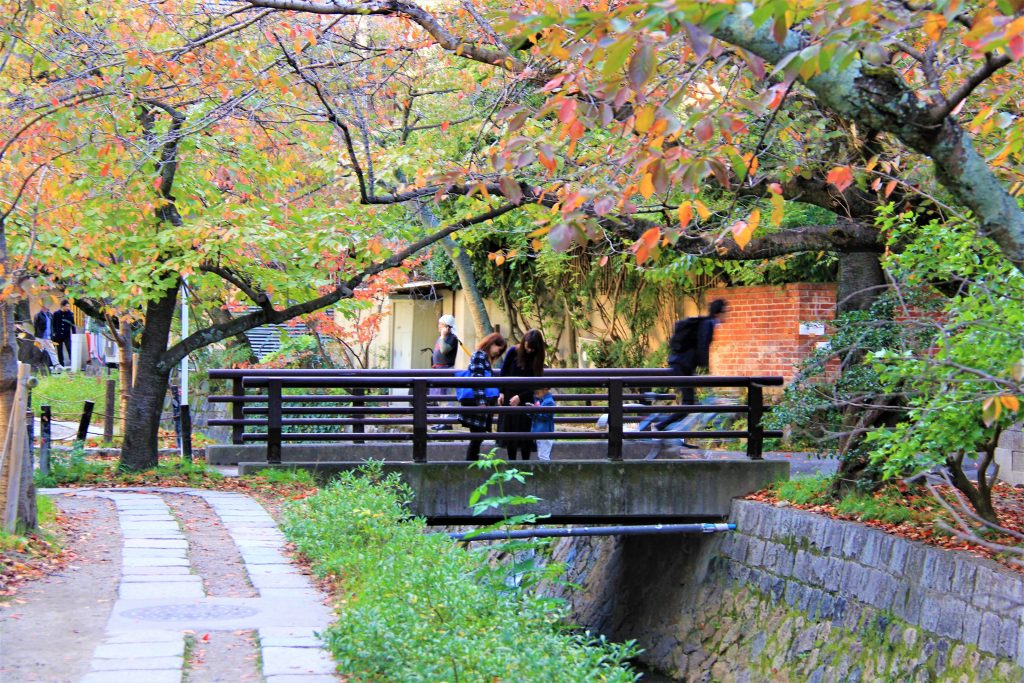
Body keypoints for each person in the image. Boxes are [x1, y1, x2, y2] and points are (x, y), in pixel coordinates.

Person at [657, 298, 727, 433]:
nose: (727, 315)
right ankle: (661, 427)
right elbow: (702, 346)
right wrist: (706, 370)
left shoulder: (707, 323)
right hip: (682, 365)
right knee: (688, 404)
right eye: (726, 312)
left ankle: (665, 428)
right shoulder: (708, 324)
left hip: (681, 364)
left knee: (689, 403)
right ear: (719, 313)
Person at [497, 328, 546, 460]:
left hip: (526, 398)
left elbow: (536, 383)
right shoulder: (513, 352)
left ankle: (525, 462)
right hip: (509, 395)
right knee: (510, 433)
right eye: (527, 347)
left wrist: (520, 397)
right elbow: (503, 373)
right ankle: (512, 462)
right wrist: (501, 392)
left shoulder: (538, 359)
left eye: (532, 349)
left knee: (525, 434)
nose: (529, 351)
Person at [460, 332, 508, 461]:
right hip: (478, 403)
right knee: (477, 437)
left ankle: (472, 464)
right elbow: (477, 379)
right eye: (499, 348)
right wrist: (481, 403)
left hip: (480, 403)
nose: (499, 353)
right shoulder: (479, 356)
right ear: (492, 344)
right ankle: (470, 465)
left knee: (477, 437)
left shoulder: (483, 357)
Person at [430, 314, 460, 430]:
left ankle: (447, 422)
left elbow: (444, 350)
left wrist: (443, 336)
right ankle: (441, 420)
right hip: (438, 370)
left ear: (447, 327)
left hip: (446, 370)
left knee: (446, 397)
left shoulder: (452, 338)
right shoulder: (442, 338)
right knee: (440, 397)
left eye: (441, 325)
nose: (439, 327)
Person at [529, 386, 556, 461]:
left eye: (538, 389)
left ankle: (545, 471)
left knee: (543, 456)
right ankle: (544, 470)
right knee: (541, 454)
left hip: (545, 432)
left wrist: (535, 411)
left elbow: (545, 416)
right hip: (540, 432)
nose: (535, 391)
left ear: (545, 389)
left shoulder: (549, 402)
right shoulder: (541, 400)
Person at [32, 302, 59, 368]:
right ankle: (35, 365)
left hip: (48, 337)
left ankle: (56, 365)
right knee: (38, 351)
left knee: (52, 351)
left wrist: (53, 334)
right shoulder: (38, 315)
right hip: (40, 337)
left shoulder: (50, 315)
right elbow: (35, 326)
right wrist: (35, 336)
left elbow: (52, 325)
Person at [52, 299, 77, 368]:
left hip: (67, 335)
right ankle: (61, 365)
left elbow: (73, 325)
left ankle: (73, 363)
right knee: (59, 351)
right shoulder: (56, 314)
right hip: (58, 336)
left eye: (68, 306)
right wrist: (53, 333)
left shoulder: (70, 314)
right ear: (62, 306)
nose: (68, 308)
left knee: (69, 349)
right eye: (66, 306)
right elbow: (53, 324)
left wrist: (74, 334)